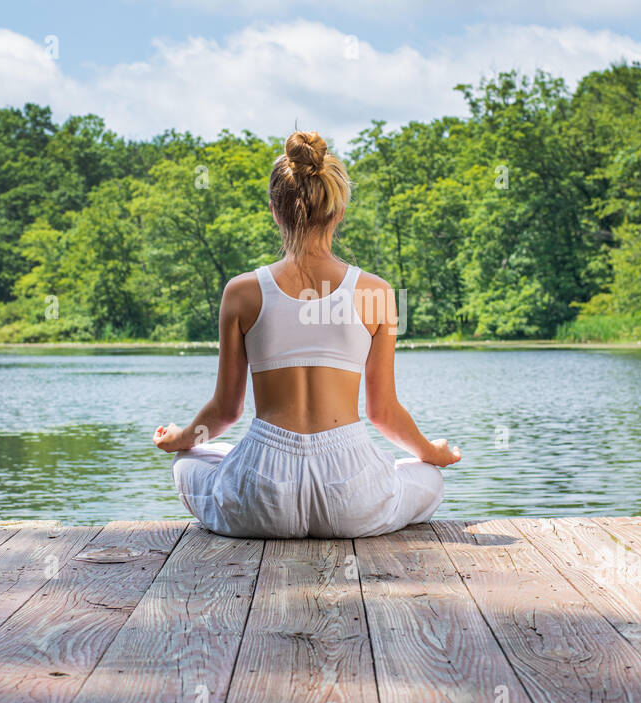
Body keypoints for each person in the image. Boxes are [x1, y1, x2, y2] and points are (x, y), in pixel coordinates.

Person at [152, 130, 460, 538]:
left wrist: (181, 438)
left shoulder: (241, 292)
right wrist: (431, 452)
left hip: (262, 496)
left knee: (191, 461)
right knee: (428, 476)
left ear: (274, 211)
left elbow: (226, 411)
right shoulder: (376, 293)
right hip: (351, 496)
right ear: (339, 212)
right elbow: (382, 413)